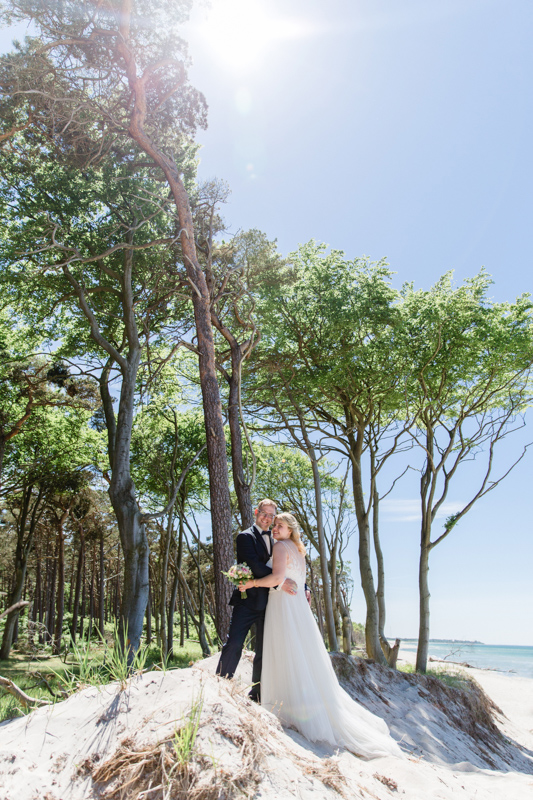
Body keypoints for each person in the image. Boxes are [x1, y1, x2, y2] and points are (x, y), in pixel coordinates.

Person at [238, 512, 403, 759]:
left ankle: (286, 708)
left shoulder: (281, 547)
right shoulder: (298, 550)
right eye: (274, 526)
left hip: (284, 606)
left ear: (290, 529)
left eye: (279, 526)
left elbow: (277, 578)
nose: (275, 529)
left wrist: (249, 584)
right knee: (299, 652)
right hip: (298, 610)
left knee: (285, 650)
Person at [216, 499, 298, 702]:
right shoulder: (245, 537)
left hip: (272, 603)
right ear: (256, 512)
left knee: (264, 651)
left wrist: (303, 587)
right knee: (234, 643)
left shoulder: (278, 539)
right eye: (264, 513)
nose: (267, 518)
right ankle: (220, 685)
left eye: (272, 515)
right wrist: (280, 582)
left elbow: (290, 566)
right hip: (247, 600)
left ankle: (257, 694)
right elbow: (252, 564)